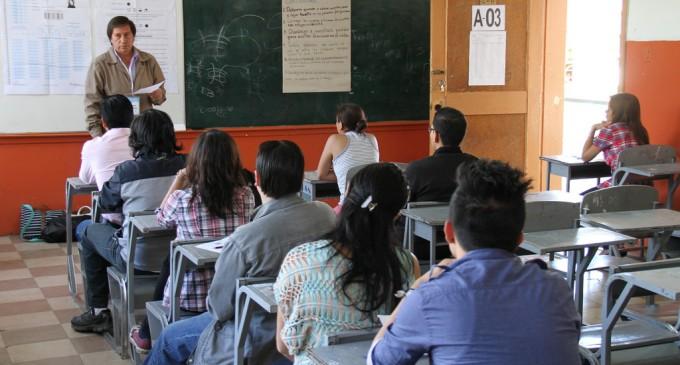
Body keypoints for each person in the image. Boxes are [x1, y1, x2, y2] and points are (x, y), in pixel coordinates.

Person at [369, 159, 581, 364]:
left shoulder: (430, 296)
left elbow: (377, 360)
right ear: (519, 239)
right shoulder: (557, 289)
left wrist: (417, 287)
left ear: (449, 232)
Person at [144, 140, 337, 365]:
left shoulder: (245, 239)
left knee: (169, 338)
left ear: (258, 179)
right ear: (301, 176)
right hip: (312, 324)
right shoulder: (326, 215)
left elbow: (218, 307)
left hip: (254, 334)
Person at [275, 163, 419, 364]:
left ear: (348, 194)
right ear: (397, 214)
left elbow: (283, 346)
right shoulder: (406, 265)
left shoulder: (299, 259)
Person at [129, 129, 255, 353]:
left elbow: (161, 219)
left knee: (172, 257)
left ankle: (148, 337)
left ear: (195, 163)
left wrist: (179, 180)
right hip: (229, 297)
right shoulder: (246, 196)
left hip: (187, 299)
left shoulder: (182, 199)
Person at [71, 109, 185, 334]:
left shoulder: (126, 171)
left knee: (86, 229)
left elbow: (105, 203)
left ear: (136, 139)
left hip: (135, 257)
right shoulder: (190, 165)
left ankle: (98, 311)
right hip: (179, 255)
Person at [84, 16, 166, 137]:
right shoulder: (100, 64)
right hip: (115, 134)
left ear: (133, 37)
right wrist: (99, 137)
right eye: (118, 35)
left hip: (145, 132)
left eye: (127, 35)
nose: (123, 40)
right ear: (110, 39)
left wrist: (158, 95)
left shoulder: (148, 60)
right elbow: (92, 104)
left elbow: (161, 96)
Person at [78, 94, 134, 226]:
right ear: (132, 118)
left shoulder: (92, 146)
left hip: (115, 220)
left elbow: (85, 178)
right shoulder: (144, 143)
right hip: (145, 220)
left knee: (84, 228)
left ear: (103, 122)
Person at [405, 105, 477, 203]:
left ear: (436, 136)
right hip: (468, 218)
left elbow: (404, 208)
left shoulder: (416, 170)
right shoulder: (476, 167)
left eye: (431, 130)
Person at [316, 103, 379, 210]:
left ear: (340, 124)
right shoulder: (372, 139)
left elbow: (321, 175)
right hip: (372, 208)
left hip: (348, 209)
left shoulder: (335, 139)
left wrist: (343, 174)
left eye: (336, 121)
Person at [581, 92, 649, 189]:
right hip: (642, 187)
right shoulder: (640, 130)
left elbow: (585, 157)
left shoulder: (610, 130)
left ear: (617, 111)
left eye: (609, 109)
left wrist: (593, 129)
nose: (606, 111)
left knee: (583, 200)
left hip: (620, 186)